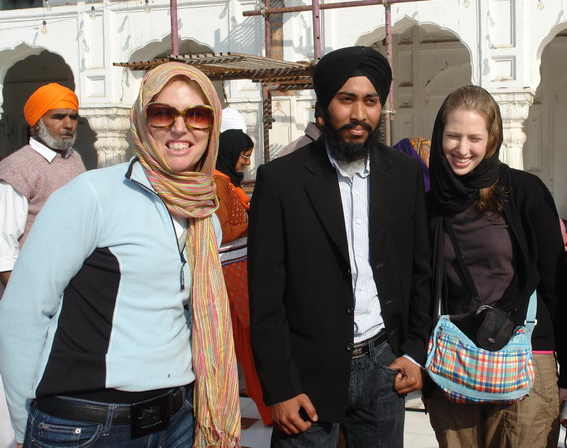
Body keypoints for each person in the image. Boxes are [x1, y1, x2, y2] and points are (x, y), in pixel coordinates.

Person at [0, 62, 240, 447]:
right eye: (162, 113)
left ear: (212, 127)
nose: (180, 128)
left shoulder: (205, 215)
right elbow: (23, 310)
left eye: (197, 115)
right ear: (142, 123)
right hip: (89, 425)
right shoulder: (93, 195)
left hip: (178, 419)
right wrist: (24, 424)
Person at [248, 46, 432, 448]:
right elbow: (265, 297)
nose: (359, 115)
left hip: (385, 366)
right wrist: (279, 387)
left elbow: (421, 270)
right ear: (325, 105)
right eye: (346, 99)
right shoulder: (281, 180)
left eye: (370, 101)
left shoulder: (401, 173)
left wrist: (416, 350)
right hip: (307, 378)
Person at [425, 85, 567, 448]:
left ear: (492, 138)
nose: (462, 149)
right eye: (453, 136)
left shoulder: (524, 192)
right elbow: (420, 289)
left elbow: (556, 287)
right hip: (456, 360)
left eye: (474, 137)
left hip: (526, 354)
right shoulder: (432, 204)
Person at [213, 128, 272, 426]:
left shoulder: (227, 183)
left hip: (242, 269)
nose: (246, 163)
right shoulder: (217, 183)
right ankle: (267, 408)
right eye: (243, 156)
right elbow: (222, 231)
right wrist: (257, 217)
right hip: (231, 273)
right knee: (248, 344)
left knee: (253, 341)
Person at [0, 83, 85, 287]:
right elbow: (4, 242)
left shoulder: (75, 158)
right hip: (32, 283)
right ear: (36, 124)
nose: (68, 124)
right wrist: (18, 296)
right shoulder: (16, 167)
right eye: (58, 117)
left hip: (74, 280)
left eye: (73, 117)